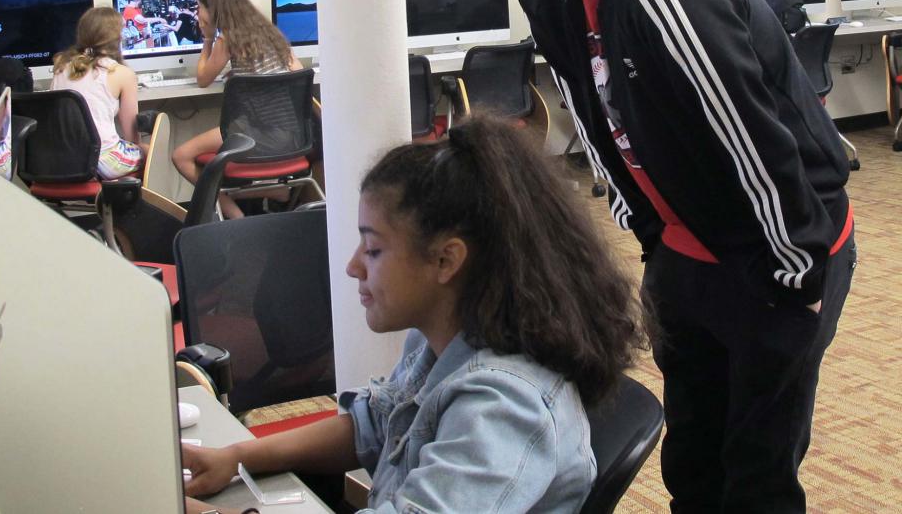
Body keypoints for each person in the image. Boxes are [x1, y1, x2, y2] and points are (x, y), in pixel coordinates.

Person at [455, 0, 856, 513]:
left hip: (780, 251)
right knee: (694, 468)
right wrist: (653, 242)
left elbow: (758, 147)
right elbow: (593, 115)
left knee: (757, 474)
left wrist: (796, 281)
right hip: (684, 253)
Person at [180, 115, 646, 514]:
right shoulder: (441, 340)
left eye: (374, 249)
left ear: (446, 260)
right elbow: (374, 423)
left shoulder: (505, 408)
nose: (353, 266)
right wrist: (239, 455)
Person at [171, 0, 303, 218]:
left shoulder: (227, 39)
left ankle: (233, 214)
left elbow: (203, 79)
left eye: (199, 6)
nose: (197, 12)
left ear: (214, 8)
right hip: (292, 135)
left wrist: (208, 39)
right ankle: (277, 193)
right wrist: (247, 74)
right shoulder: (269, 31)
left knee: (181, 156)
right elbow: (296, 72)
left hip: (258, 135)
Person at [51, 7, 146, 179]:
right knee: (149, 150)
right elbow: (132, 135)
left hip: (63, 159)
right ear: (117, 37)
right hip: (102, 161)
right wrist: (140, 148)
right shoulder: (122, 73)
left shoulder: (60, 65)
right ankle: (135, 203)